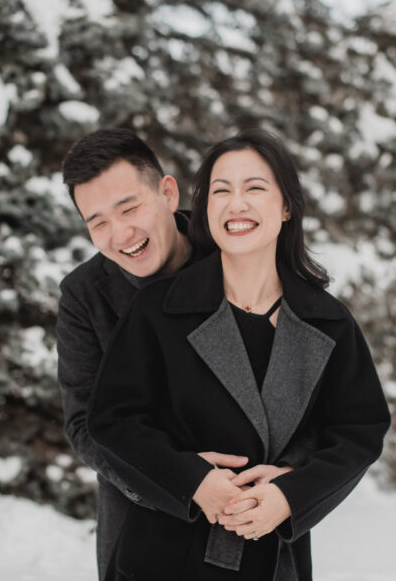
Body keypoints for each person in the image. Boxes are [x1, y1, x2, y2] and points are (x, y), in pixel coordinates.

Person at [87, 128, 391, 581]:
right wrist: (194, 482)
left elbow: (359, 432)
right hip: (163, 557)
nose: (236, 204)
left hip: (269, 558)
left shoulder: (329, 322)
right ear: (207, 209)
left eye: (254, 188)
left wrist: (290, 495)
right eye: (221, 191)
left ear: (286, 206)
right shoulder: (158, 309)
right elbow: (112, 420)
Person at [57, 129, 251, 579]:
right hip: (140, 528)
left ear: (167, 192)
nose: (120, 234)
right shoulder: (84, 295)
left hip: (251, 517)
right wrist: (180, 478)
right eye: (98, 222)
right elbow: (84, 424)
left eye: (129, 208)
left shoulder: (239, 254)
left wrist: (284, 486)